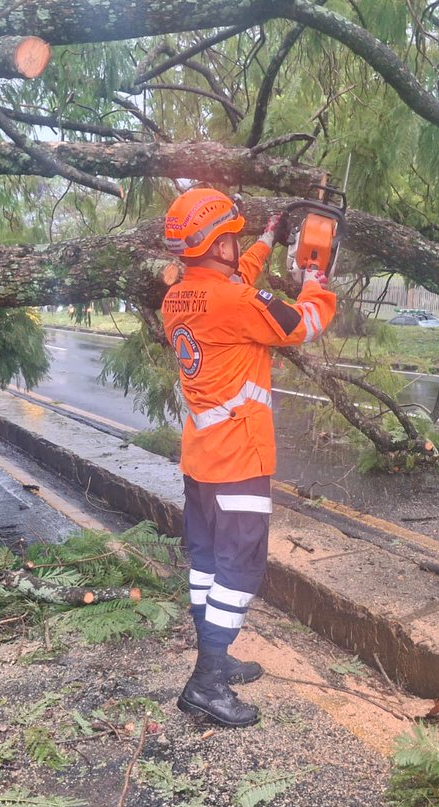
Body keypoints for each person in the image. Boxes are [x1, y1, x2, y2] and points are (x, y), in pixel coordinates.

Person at [161, 188, 337, 727]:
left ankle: (214, 657)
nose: (238, 245)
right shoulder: (235, 304)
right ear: (217, 246)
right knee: (239, 569)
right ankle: (207, 681)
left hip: (201, 458)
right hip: (240, 456)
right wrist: (316, 283)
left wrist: (265, 240)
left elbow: (236, 281)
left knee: (207, 563)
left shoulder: (179, 297)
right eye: (232, 237)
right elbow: (302, 323)